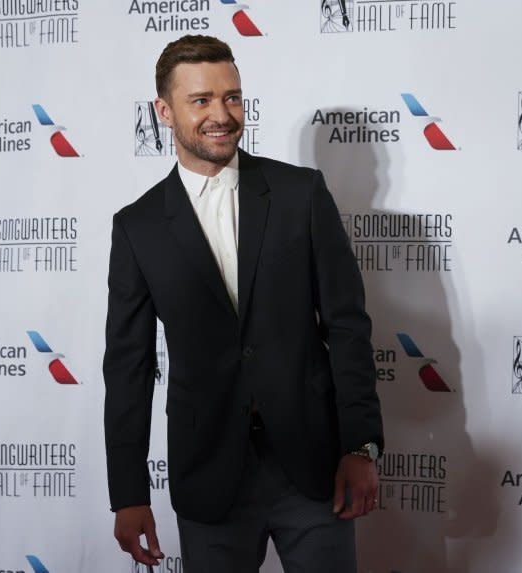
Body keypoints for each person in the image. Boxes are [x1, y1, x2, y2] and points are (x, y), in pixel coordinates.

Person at [103, 34, 384, 573]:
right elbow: (128, 369)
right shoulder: (137, 227)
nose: (223, 114)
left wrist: (362, 445)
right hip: (208, 475)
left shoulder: (301, 194)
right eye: (201, 100)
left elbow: (348, 327)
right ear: (164, 111)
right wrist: (129, 493)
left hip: (314, 467)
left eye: (232, 97)